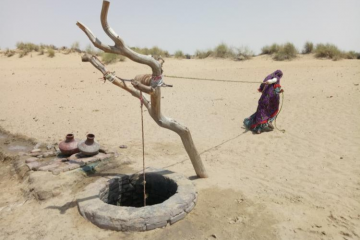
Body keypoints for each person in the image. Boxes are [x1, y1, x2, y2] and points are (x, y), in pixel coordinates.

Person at [244, 70, 284, 134]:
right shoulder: (276, 78)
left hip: (263, 99)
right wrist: (271, 83)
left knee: (261, 112)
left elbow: (264, 86)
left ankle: (259, 128)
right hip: (270, 101)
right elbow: (274, 82)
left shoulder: (268, 77)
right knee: (271, 111)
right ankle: (267, 123)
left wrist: (269, 82)